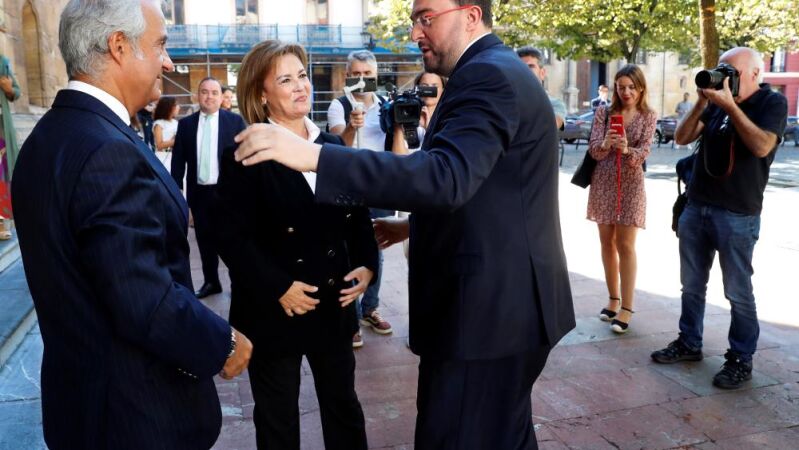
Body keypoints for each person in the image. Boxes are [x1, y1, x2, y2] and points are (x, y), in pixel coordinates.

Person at [233, 1, 576, 447]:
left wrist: (317, 157)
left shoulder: (487, 75)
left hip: (487, 317)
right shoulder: (494, 70)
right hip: (503, 311)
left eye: (426, 18)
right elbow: (489, 188)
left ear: (471, 15)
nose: (415, 33)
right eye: (414, 20)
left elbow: (445, 176)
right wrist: (413, 226)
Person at [10, 1, 252, 448]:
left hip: (81, 407)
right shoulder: (105, 149)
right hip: (134, 415)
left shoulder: (48, 137)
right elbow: (142, 297)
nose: (168, 62)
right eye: (159, 45)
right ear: (119, 46)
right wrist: (223, 343)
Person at [215, 40, 378, 450]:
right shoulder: (244, 152)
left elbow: (357, 216)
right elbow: (231, 238)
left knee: (343, 407)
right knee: (277, 419)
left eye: (302, 75)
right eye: (286, 79)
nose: (301, 85)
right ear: (261, 94)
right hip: (273, 309)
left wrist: (366, 264)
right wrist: (279, 287)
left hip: (332, 302)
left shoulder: (333, 147)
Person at [651, 47, 787, 390]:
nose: (723, 77)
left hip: (738, 213)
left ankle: (741, 358)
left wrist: (730, 107)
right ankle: (689, 342)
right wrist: (702, 102)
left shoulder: (771, 103)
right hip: (697, 206)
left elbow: (762, 146)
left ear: (754, 74)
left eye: (730, 72)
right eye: (720, 69)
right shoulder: (713, 102)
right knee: (691, 284)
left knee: (737, 291)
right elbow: (681, 137)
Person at [327, 49, 393, 345]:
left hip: (378, 186)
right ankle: (351, 316)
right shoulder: (338, 105)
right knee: (348, 249)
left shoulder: (386, 105)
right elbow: (337, 146)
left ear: (375, 75)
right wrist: (352, 127)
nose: (362, 79)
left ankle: (370, 308)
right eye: (356, 74)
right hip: (348, 188)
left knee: (377, 248)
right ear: (347, 75)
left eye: (367, 74)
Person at [587, 64, 656, 334]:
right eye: (621, 87)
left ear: (641, 88)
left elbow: (645, 150)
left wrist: (627, 150)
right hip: (603, 182)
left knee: (625, 245)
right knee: (606, 242)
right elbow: (594, 150)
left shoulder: (648, 115)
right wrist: (606, 143)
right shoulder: (604, 113)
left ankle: (627, 307)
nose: (626, 92)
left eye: (631, 87)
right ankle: (613, 300)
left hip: (631, 183)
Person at [171, 77, 246, 299]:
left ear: (222, 97)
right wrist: (177, 195)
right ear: (198, 95)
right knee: (204, 241)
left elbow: (244, 158)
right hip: (199, 193)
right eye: (204, 92)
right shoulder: (186, 125)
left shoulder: (234, 122)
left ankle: (239, 283)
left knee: (232, 240)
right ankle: (211, 282)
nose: (209, 97)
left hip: (228, 194)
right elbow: (178, 162)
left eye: (214, 92)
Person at [390, 71, 447, 154]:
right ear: (416, 89)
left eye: (434, 86)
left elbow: (444, 154)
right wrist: (398, 126)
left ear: (443, 90)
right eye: (424, 86)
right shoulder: (405, 114)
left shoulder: (448, 119)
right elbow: (399, 158)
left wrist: (429, 129)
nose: (429, 90)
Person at [517, 46, 566, 129]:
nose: (525, 70)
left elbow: (549, 127)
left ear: (542, 73)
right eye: (520, 66)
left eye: (530, 66)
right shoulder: (505, 101)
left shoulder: (555, 105)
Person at [0, 51, 20, 238]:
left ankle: (1, 222)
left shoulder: (3, 62)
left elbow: (16, 91)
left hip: (1, 128)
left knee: (2, 175)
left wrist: (8, 89)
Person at [153, 95, 179, 172]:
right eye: (176, 105)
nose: (178, 107)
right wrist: (176, 140)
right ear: (169, 107)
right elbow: (159, 145)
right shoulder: (159, 123)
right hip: (162, 157)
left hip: (176, 157)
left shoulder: (176, 122)